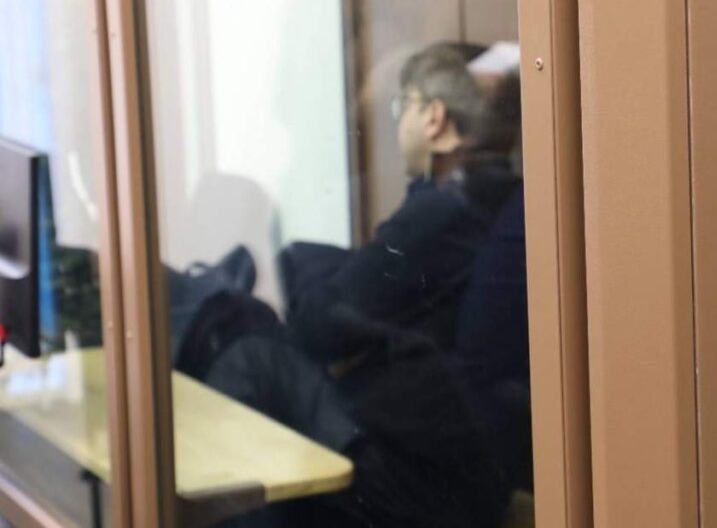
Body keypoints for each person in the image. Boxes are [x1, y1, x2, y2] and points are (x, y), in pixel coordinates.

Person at [206, 44, 522, 527]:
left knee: (253, 361)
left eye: (403, 105)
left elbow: (319, 329)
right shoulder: (492, 198)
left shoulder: (446, 209)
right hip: (454, 457)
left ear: (434, 119)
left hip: (428, 478)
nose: (398, 124)